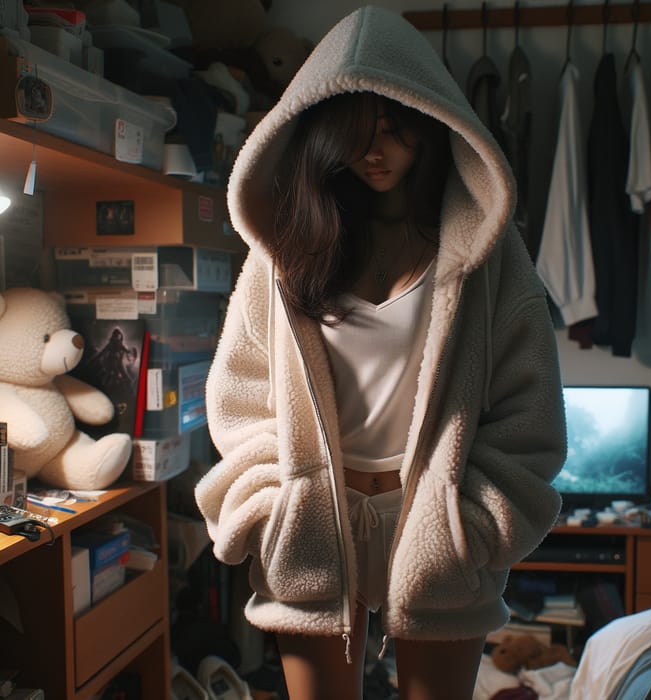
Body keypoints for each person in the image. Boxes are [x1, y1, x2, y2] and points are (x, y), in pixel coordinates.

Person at [195, 6, 567, 699]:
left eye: (395, 128)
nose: (377, 150)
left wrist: (474, 523)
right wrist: (269, 504)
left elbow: (530, 404)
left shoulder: (483, 251)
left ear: (430, 125)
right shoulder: (285, 250)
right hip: (310, 520)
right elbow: (240, 392)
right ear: (323, 134)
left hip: (434, 517)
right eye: (358, 131)